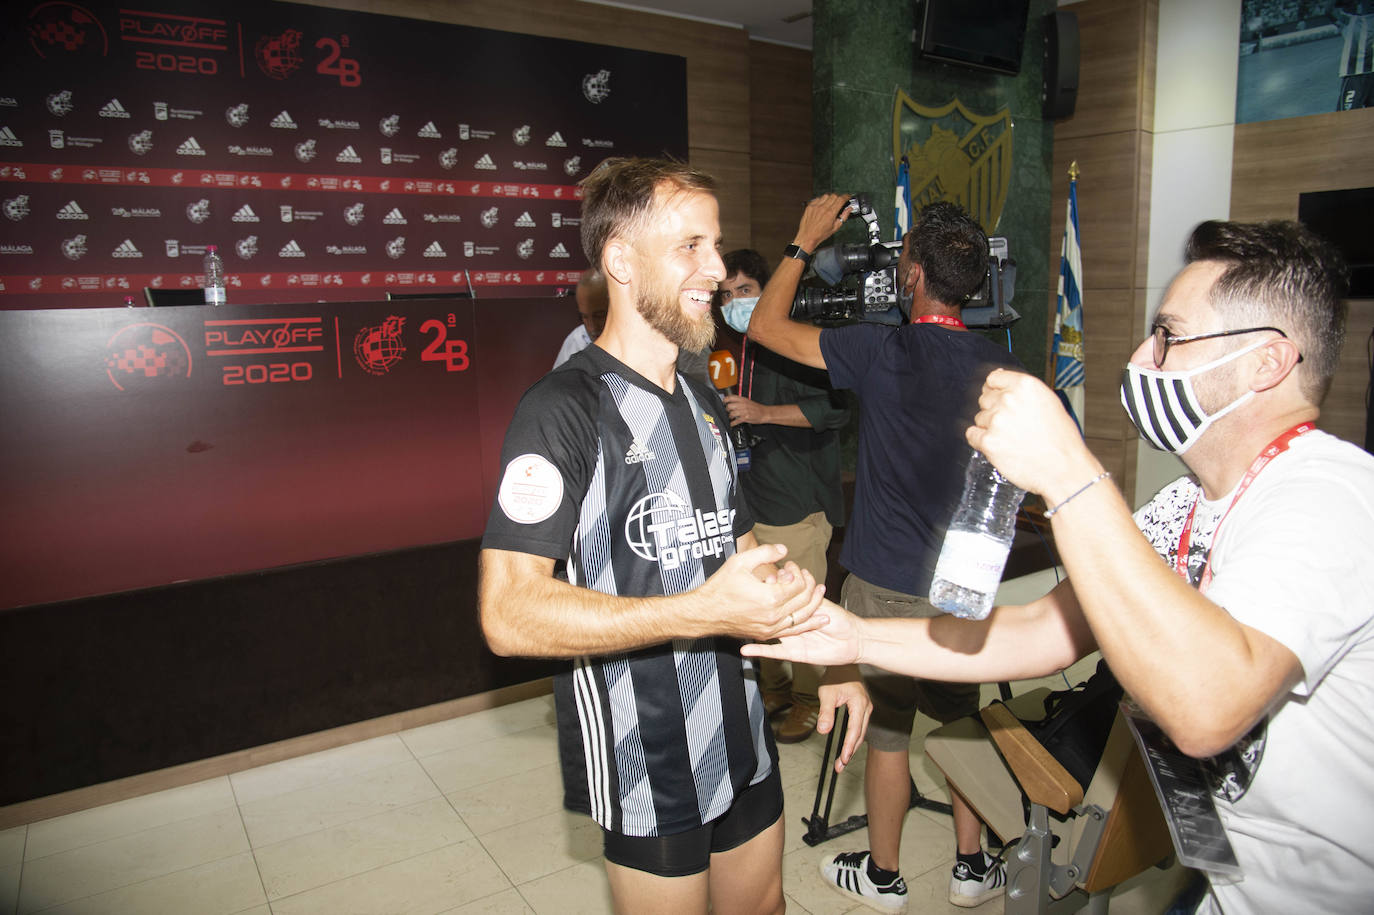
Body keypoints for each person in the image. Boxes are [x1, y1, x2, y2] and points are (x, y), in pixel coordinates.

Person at [744, 219, 1374, 915]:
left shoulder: (1329, 497)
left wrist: (1070, 473)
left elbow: (1207, 711)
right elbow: (1044, 629)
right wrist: (856, 637)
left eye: (1168, 336)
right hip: (1230, 888)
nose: (1142, 356)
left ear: (1266, 362)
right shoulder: (1185, 504)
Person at [478, 157, 870, 915]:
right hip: (647, 754)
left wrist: (834, 652)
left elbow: (746, 553)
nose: (717, 270)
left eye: (715, 246)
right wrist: (700, 612)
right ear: (621, 261)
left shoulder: (702, 398)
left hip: (742, 730)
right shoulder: (560, 410)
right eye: (691, 246)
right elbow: (508, 613)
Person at [747, 196, 1022, 910]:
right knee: (962, 724)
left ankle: (885, 876)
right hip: (961, 588)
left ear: (915, 275)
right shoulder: (1004, 365)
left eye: (903, 260)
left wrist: (803, 241)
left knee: (889, 733)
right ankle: (971, 868)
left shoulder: (880, 350)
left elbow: (763, 325)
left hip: (882, 585)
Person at [716, 248, 851, 743]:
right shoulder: (728, 348)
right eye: (725, 295)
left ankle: (810, 700)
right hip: (750, 501)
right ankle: (774, 688)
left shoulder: (798, 341)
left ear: (769, 290)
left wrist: (764, 413)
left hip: (799, 502)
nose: (734, 302)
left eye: (745, 290)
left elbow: (835, 410)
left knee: (802, 609)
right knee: (760, 605)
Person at [553, 270, 609, 368]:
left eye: (599, 316)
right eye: (585, 317)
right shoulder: (576, 340)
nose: (592, 328)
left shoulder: (635, 339)